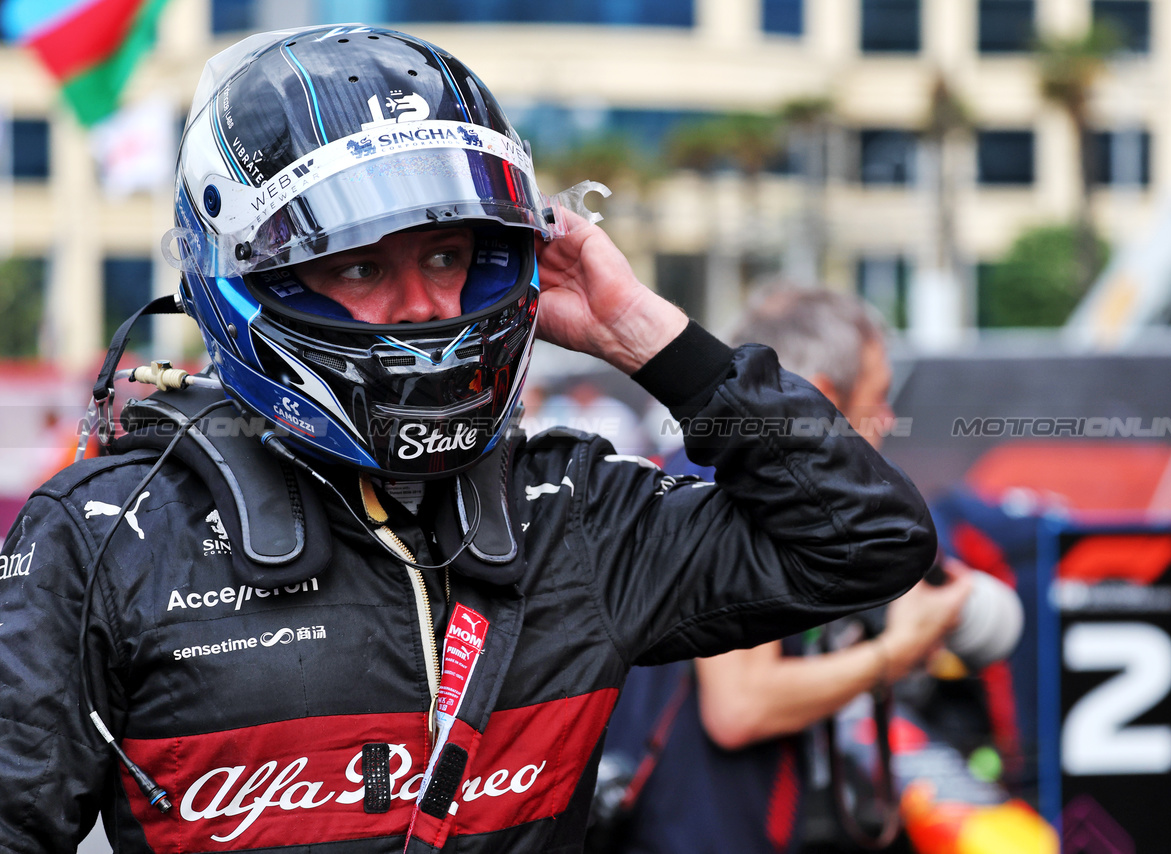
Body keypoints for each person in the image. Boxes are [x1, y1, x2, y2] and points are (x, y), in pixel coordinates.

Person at [0, 26, 937, 854]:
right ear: (253, 281)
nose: (427, 309)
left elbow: (866, 543)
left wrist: (645, 336)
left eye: (449, 256)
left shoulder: (574, 516)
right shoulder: (104, 538)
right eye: (362, 266)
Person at [602, 287, 973, 854]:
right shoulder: (735, 492)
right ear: (821, 398)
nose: (890, 419)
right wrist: (896, 654)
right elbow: (741, 707)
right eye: (878, 397)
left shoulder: (684, 473)